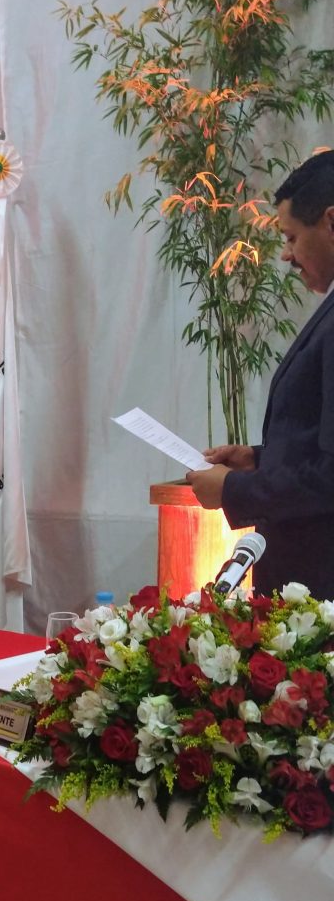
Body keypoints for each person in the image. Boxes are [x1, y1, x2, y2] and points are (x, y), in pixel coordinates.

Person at [186, 149, 334, 597]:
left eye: (291, 238)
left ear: (331, 222)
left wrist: (235, 490)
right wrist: (260, 458)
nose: (286, 255)